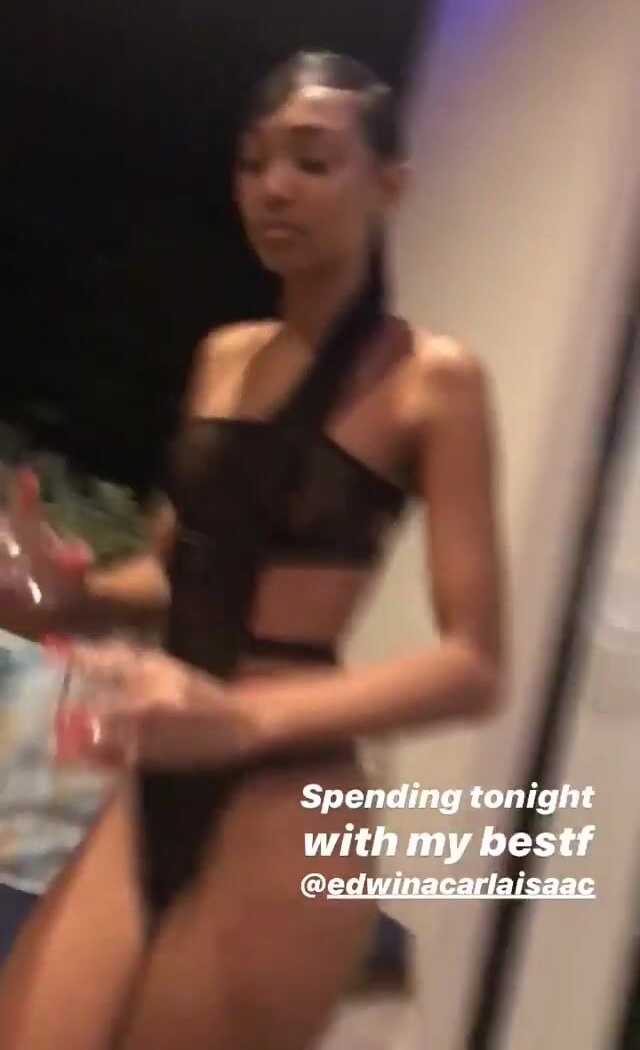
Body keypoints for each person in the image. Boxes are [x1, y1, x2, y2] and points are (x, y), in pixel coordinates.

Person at [0, 51, 506, 1049]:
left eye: (311, 161)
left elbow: (473, 663)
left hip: (289, 792)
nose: (273, 186)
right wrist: (67, 595)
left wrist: (236, 718)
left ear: (388, 186)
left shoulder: (432, 380)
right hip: (160, 773)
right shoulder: (224, 356)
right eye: (253, 161)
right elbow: (174, 569)